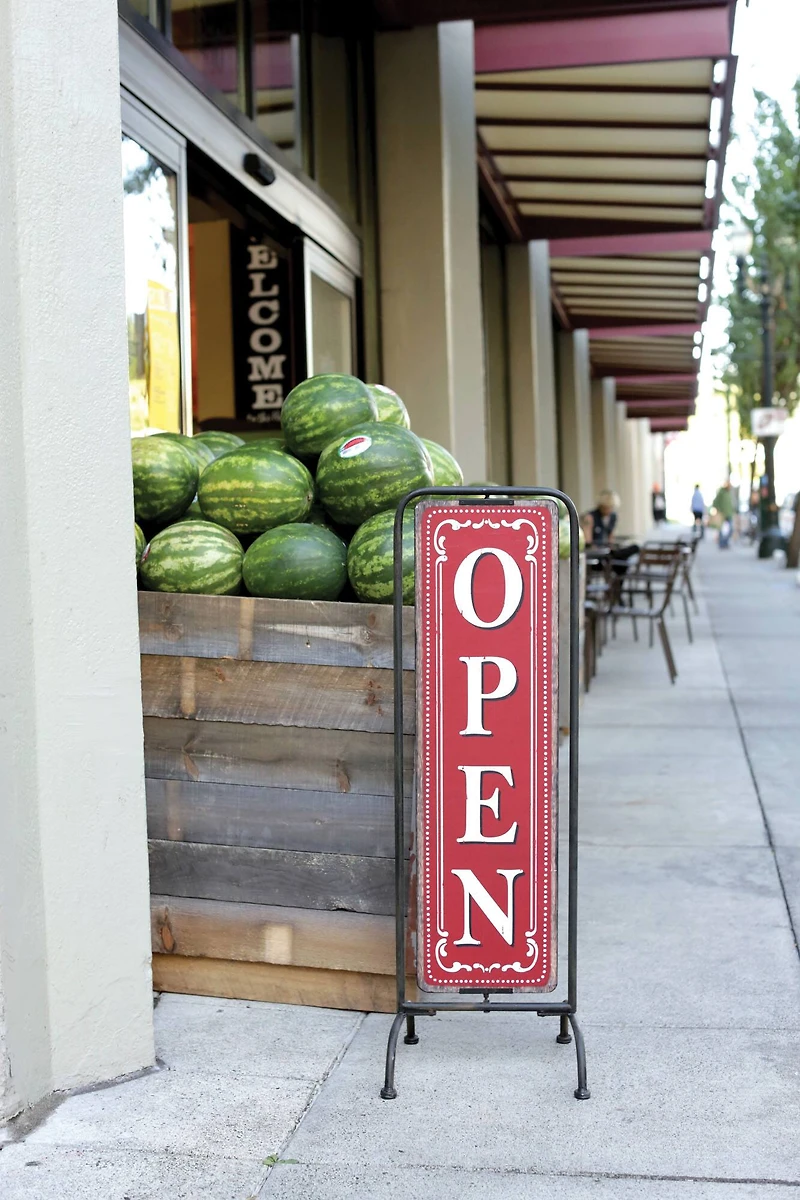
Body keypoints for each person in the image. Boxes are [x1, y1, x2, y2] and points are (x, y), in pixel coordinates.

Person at [585, 490, 638, 573]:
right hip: (598, 553)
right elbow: (588, 541)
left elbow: (611, 537)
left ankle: (617, 581)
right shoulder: (590, 517)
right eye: (606, 507)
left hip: (608, 550)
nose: (609, 510)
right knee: (623, 559)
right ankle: (617, 583)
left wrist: (611, 547)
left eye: (611, 507)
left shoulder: (613, 517)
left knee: (632, 550)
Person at [712, 481, 735, 549]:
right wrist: (720, 511)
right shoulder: (721, 493)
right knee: (722, 530)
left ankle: (725, 542)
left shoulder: (728, 493)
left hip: (729, 514)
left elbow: (729, 504)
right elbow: (715, 502)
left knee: (730, 530)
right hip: (723, 515)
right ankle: (722, 543)